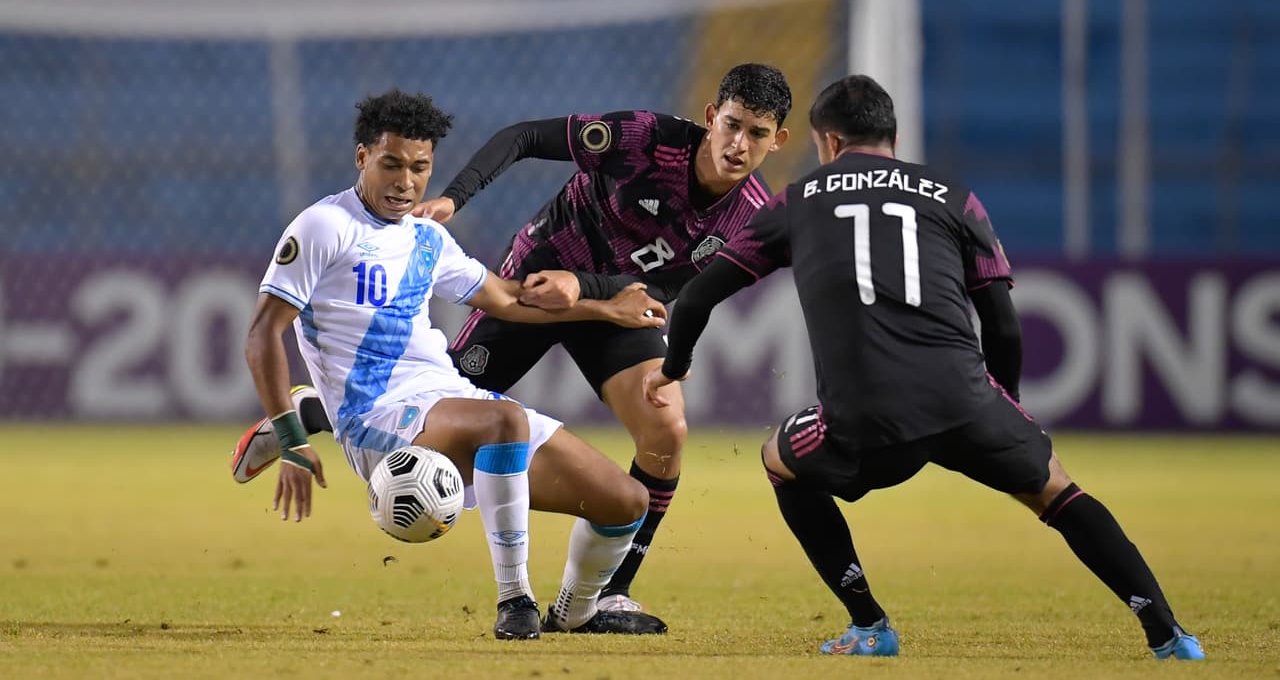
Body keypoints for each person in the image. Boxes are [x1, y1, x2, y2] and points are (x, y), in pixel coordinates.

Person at [640, 75, 1205, 660]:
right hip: (966, 402)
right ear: (894, 138)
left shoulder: (798, 200)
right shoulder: (954, 197)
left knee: (778, 460)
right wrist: (1004, 410)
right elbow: (1003, 326)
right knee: (1058, 491)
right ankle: (1170, 635)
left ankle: (869, 625)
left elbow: (698, 297)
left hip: (865, 420)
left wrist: (673, 368)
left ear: (828, 141)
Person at [237, 63, 793, 615]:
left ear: (778, 141)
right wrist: (456, 198)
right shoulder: (645, 138)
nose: (739, 144)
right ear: (710, 117)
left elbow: (668, 286)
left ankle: (601, 598)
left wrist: (596, 298)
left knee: (654, 453)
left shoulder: (751, 215)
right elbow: (525, 138)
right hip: (538, 277)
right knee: (476, 421)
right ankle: (319, 416)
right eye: (732, 125)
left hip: (605, 303)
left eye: (757, 133)